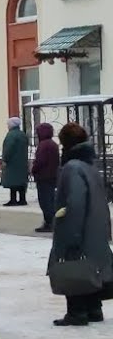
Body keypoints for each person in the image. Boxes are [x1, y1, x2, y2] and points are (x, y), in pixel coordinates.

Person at [48, 122, 112, 326]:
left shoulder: (72, 167)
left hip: (78, 228)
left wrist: (71, 235)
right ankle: (94, 308)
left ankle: (76, 312)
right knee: (91, 268)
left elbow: (74, 202)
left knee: (73, 267)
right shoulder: (90, 166)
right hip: (96, 227)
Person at [32, 123, 60, 233]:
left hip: (43, 176)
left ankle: (49, 222)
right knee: (50, 199)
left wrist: (34, 169)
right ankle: (51, 221)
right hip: (52, 175)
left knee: (45, 200)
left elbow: (40, 161)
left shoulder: (43, 145)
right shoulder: (53, 144)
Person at [0, 117, 29, 207]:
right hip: (22, 161)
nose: (7, 126)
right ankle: (22, 199)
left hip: (12, 162)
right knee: (21, 180)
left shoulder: (11, 135)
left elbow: (8, 149)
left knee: (13, 181)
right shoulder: (22, 134)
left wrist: (5, 159)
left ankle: (13, 199)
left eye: (8, 124)